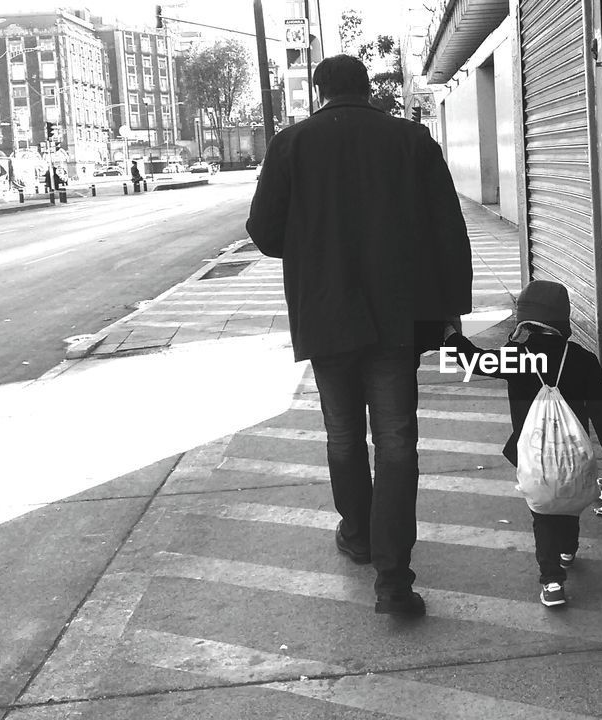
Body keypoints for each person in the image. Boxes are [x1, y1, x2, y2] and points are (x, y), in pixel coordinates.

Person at [245, 54, 472, 616]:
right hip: (396, 316)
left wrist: (313, 241)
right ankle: (394, 580)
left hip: (326, 316)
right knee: (396, 445)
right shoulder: (410, 139)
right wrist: (450, 310)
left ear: (319, 91)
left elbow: (266, 234)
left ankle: (359, 534)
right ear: (367, 88)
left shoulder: (291, 144)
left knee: (343, 435)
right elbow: (448, 226)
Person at [445, 280, 602, 607]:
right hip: (573, 454)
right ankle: (568, 549)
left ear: (525, 319)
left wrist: (451, 337)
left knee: (542, 512)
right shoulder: (582, 358)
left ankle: (552, 581)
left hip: (534, 459)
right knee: (568, 500)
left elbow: (473, 361)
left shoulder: (518, 357)